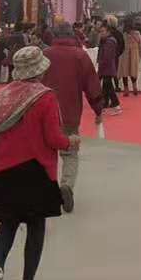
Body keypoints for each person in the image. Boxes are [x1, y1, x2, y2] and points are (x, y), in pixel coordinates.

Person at [0, 46, 70, 280]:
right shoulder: (46, 97)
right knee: (35, 227)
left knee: (8, 223)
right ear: (40, 70)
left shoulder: (4, 96)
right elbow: (53, 138)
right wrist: (70, 142)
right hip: (36, 170)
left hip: (5, 169)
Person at [41, 24, 104, 213]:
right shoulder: (80, 56)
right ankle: (66, 185)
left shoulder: (44, 54)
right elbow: (92, 86)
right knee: (70, 153)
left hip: (44, 113)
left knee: (44, 153)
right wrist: (98, 109)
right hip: (69, 114)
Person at [96, 22, 122, 113]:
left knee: (109, 88)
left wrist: (101, 65)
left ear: (108, 32)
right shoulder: (106, 41)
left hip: (107, 68)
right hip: (106, 67)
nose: (101, 33)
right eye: (100, 31)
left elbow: (107, 57)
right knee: (106, 87)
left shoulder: (109, 42)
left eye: (103, 31)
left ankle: (116, 105)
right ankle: (105, 105)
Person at [122, 23, 141, 96]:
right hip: (129, 54)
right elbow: (140, 45)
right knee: (128, 71)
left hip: (130, 54)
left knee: (129, 71)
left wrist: (140, 54)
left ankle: (130, 88)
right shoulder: (126, 35)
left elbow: (140, 45)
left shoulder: (134, 34)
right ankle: (130, 88)